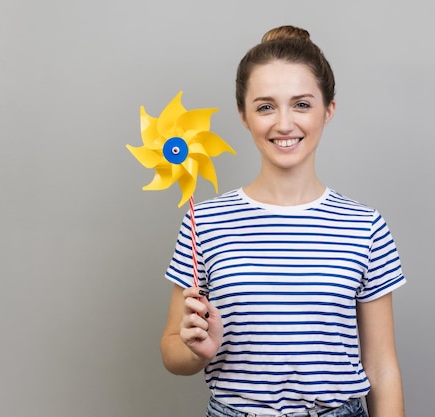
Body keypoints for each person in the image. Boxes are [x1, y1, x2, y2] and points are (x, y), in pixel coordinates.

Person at [160, 25, 406, 417]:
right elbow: (173, 351)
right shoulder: (203, 223)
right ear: (243, 115)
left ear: (329, 110)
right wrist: (194, 351)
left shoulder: (366, 226)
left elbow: (381, 366)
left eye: (302, 104)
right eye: (265, 106)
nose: (284, 123)